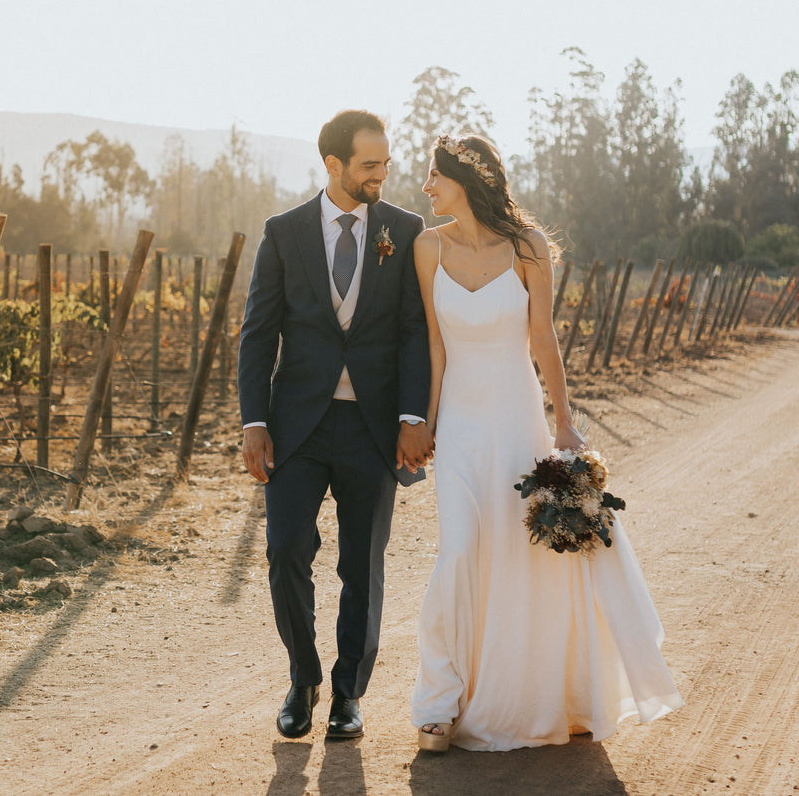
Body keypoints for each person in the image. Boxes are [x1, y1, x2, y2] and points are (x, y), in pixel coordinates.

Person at [410, 133, 684, 752]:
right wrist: (426, 422)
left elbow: (543, 341)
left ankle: (542, 691)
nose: (426, 187)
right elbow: (432, 343)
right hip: (458, 426)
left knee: (522, 556)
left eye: (434, 175)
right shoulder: (427, 248)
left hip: (516, 419)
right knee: (457, 552)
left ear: (467, 179)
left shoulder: (530, 248)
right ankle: (439, 699)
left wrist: (563, 424)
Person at [237, 109, 435, 741]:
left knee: (362, 566)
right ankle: (304, 677)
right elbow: (258, 333)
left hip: (374, 429)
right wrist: (253, 420)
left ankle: (348, 693)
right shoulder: (284, 232)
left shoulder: (404, 231)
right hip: (296, 428)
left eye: (385, 164)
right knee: (285, 550)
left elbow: (413, 331)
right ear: (334, 166)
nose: (381, 175)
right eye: (369, 165)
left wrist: (413, 416)